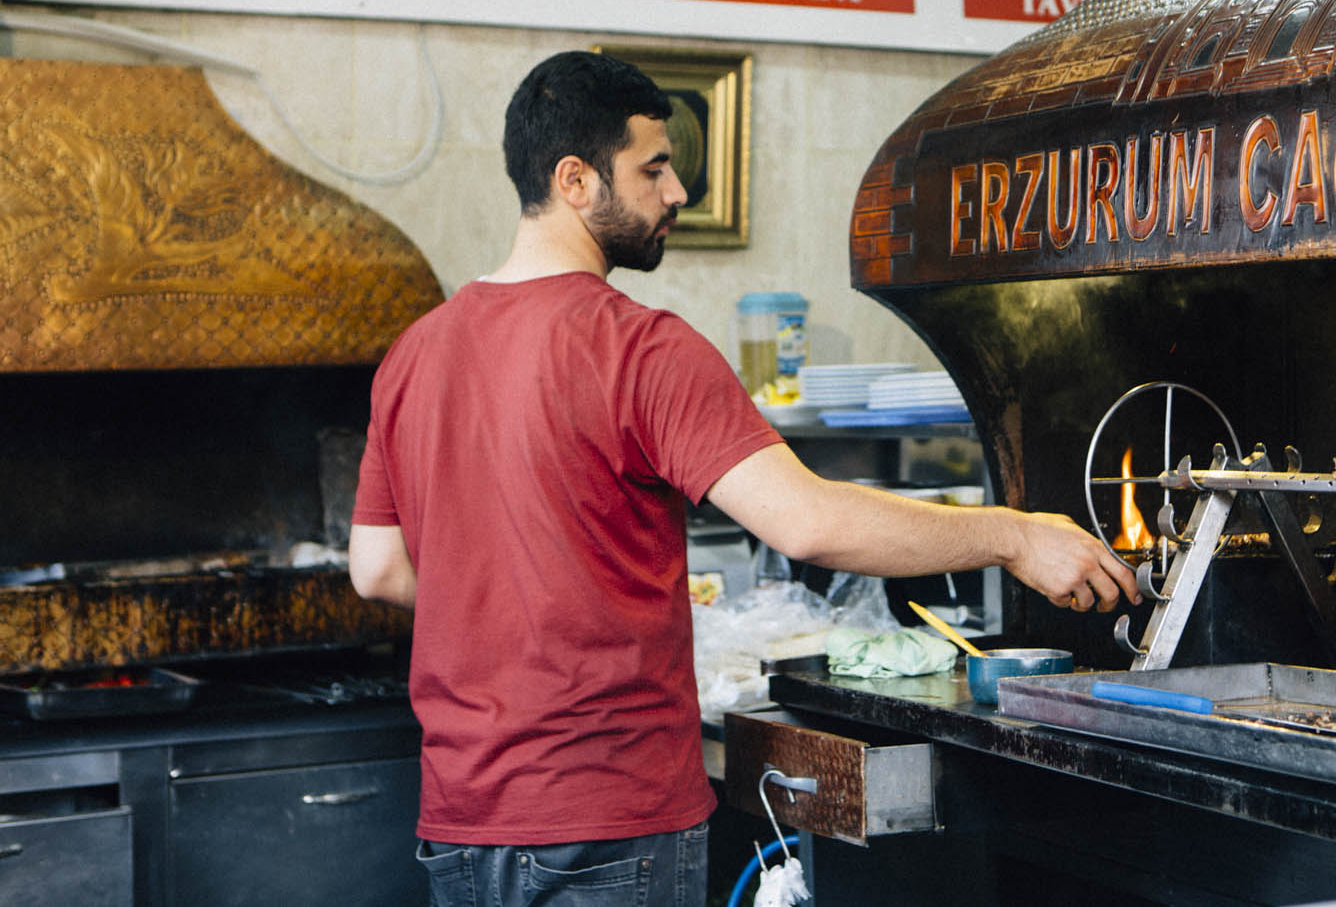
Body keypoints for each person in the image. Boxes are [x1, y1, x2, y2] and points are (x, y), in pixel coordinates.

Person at [349, 49, 1138, 907]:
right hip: (608, 821)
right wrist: (1015, 533)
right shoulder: (641, 347)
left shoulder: (413, 353)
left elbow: (380, 569)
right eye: (652, 168)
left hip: (462, 820)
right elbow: (804, 522)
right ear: (574, 179)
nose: (676, 191)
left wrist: (522, 598)